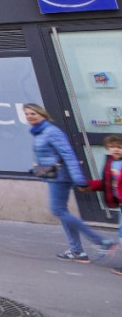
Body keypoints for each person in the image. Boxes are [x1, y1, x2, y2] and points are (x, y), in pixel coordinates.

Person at [26, 103, 115, 262]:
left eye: (33, 113)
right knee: (62, 212)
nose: (30, 116)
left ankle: (103, 242)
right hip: (53, 176)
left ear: (42, 114)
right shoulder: (39, 132)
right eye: (27, 114)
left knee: (58, 210)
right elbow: (49, 156)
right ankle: (77, 251)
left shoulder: (51, 131)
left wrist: (79, 179)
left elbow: (68, 155)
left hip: (61, 177)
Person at [84, 135, 122, 276]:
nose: (116, 150)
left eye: (119, 147)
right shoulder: (110, 163)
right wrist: (90, 185)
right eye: (112, 147)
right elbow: (107, 183)